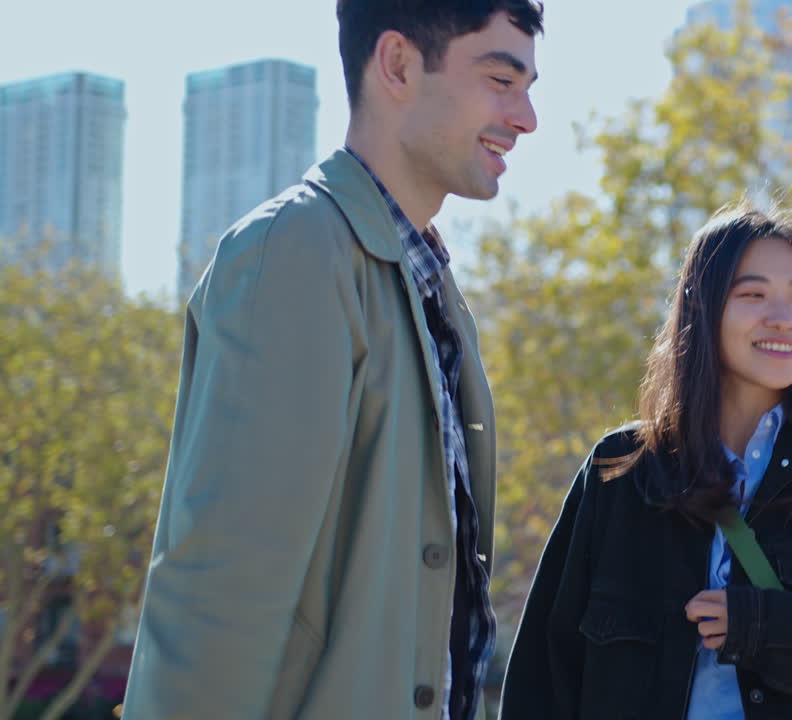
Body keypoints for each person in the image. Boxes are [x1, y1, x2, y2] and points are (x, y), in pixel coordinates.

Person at [122, 2, 542, 718]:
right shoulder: (297, 251)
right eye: (502, 78)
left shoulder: (428, 285)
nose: (526, 116)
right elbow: (222, 590)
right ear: (399, 65)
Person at [500, 206, 792, 719]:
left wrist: (773, 628)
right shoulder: (622, 471)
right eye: (753, 294)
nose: (783, 318)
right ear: (702, 308)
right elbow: (542, 679)